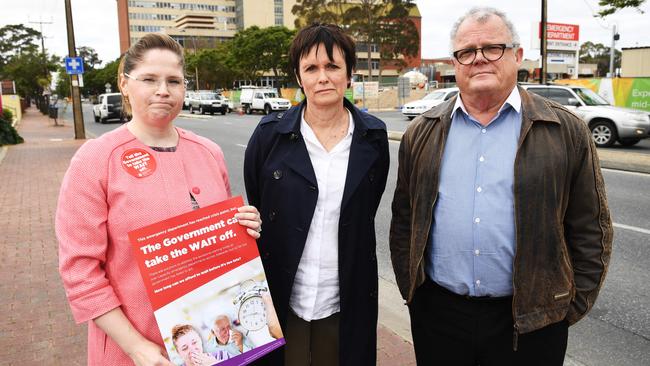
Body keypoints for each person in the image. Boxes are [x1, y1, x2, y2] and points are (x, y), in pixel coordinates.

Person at [389, 7, 613, 366]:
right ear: (454, 63)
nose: (479, 59)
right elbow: (404, 220)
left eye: (493, 48)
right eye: (466, 52)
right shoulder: (423, 131)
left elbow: (592, 228)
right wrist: (414, 293)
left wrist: (566, 307)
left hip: (531, 323)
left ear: (518, 55)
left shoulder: (565, 130)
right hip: (438, 316)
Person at [56, 33, 262, 366]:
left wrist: (245, 227)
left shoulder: (209, 153)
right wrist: (137, 348)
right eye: (149, 79)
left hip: (209, 346)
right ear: (125, 84)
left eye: (173, 81)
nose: (163, 90)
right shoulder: (95, 160)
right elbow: (80, 273)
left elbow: (222, 245)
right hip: (135, 352)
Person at [244, 23, 389, 366]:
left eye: (332, 66)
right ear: (299, 77)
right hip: (283, 296)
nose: (323, 77)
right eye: (311, 68)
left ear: (349, 74)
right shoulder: (269, 135)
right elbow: (259, 204)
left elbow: (367, 208)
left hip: (343, 297)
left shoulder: (373, 137)